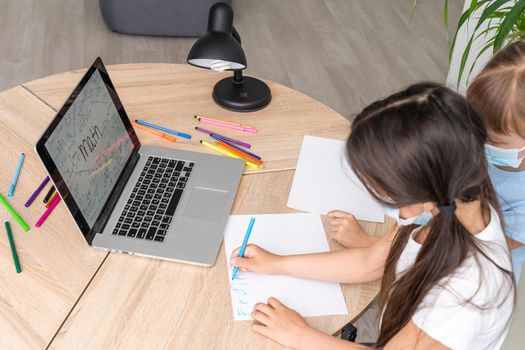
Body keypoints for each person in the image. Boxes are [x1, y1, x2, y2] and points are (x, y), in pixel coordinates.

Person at [230, 83, 515, 349]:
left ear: (419, 191)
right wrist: (276, 264)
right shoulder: (445, 202)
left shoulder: (468, 291)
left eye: (383, 190)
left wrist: (301, 336)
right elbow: (370, 262)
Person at [467, 41, 525, 281]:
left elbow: (495, 243)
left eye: (494, 141)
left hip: (490, 271)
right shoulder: (482, 141)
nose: (479, 140)